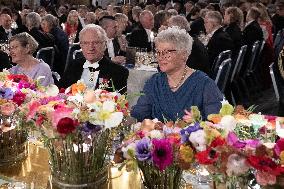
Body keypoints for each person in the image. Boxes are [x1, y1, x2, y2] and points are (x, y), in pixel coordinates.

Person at [131, 26, 223, 122]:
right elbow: (139, 114)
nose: (160, 57)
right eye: (158, 52)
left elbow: (215, 123)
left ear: (184, 54)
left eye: (166, 52)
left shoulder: (204, 84)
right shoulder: (154, 82)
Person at [58, 24, 129, 94]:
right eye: (86, 43)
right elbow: (61, 92)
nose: (91, 48)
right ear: (81, 46)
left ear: (104, 45)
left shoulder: (119, 72)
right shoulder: (73, 65)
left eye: (95, 43)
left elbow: (121, 102)